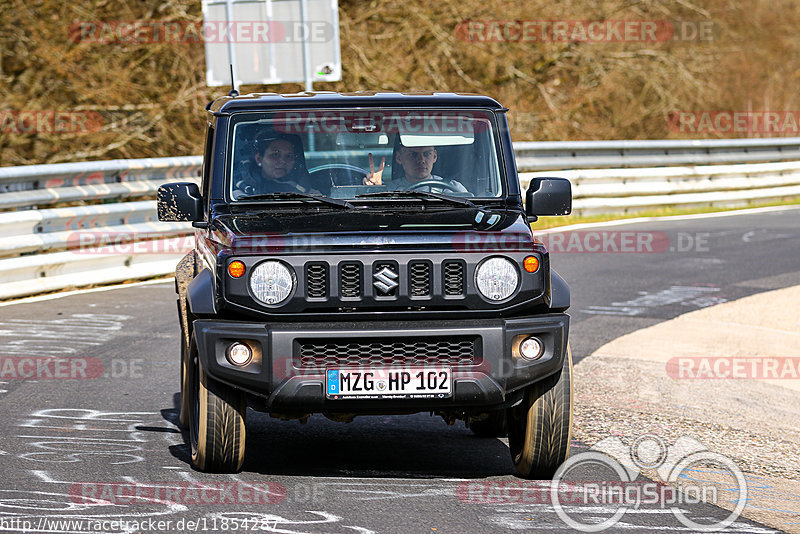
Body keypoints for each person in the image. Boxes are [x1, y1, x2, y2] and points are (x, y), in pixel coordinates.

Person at [233, 132, 320, 197]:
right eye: (275, 154)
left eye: (289, 156)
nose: (283, 161)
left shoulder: (311, 196)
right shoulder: (240, 196)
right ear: (259, 159)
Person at [363, 143, 468, 193]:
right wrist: (375, 190)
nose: (421, 160)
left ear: (434, 156)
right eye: (413, 155)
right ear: (399, 158)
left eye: (427, 154)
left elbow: (472, 212)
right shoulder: (388, 190)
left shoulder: (453, 188)